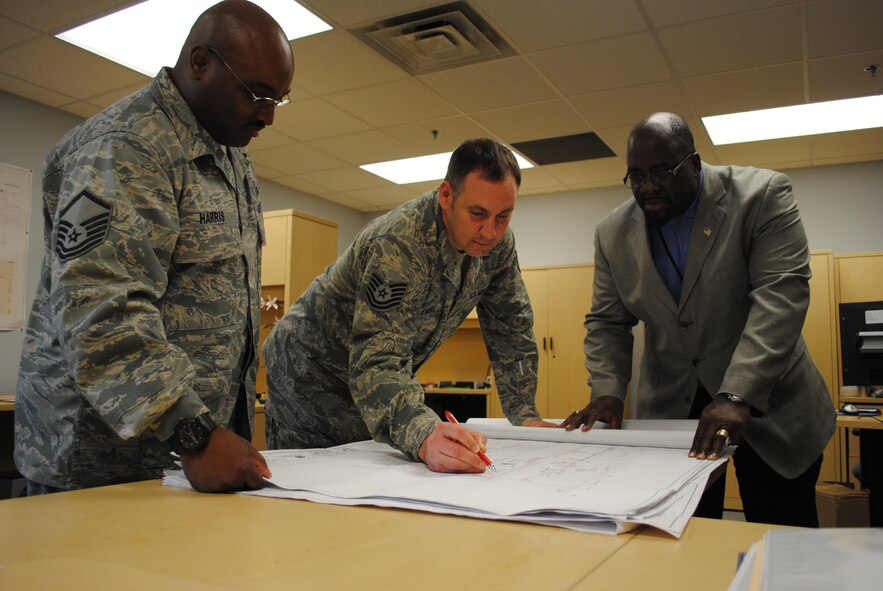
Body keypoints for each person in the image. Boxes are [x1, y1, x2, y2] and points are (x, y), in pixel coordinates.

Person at [14, 0, 295, 494]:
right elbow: (102, 309)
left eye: (279, 100)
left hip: (184, 456)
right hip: (101, 463)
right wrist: (194, 434)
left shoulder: (229, 155)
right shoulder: (126, 147)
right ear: (200, 62)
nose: (268, 116)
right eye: (257, 94)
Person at [562, 112, 835, 526]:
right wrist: (607, 390)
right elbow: (607, 321)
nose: (647, 187)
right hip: (674, 410)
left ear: (693, 164)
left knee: (780, 537)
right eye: (635, 176)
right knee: (678, 538)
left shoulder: (761, 195)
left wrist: (738, 394)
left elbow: (781, 297)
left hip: (770, 406)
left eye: (660, 172)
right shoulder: (612, 232)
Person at [263, 138, 554, 473]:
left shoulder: (498, 246)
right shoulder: (399, 243)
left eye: (503, 216)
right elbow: (379, 357)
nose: (490, 231)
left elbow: (511, 327)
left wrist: (525, 414)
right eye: (478, 213)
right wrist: (424, 432)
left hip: (368, 381)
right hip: (309, 374)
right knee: (321, 487)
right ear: (447, 196)